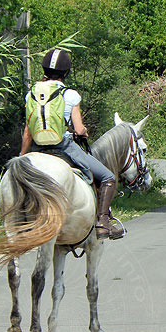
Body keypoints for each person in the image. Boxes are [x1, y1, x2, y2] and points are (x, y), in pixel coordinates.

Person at [21, 48, 124, 239]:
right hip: (63, 147)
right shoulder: (70, 95)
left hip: (36, 148)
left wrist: (23, 156)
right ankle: (102, 222)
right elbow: (78, 130)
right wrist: (84, 131)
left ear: (44, 68)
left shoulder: (31, 94)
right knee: (108, 177)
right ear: (66, 72)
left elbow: (28, 132)